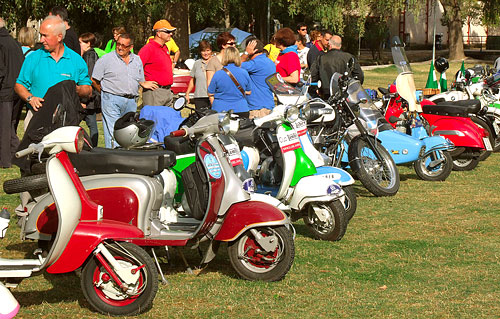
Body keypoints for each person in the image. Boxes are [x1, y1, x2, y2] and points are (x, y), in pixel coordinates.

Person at [15, 15, 92, 130]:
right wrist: (30, 98)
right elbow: (19, 85)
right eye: (41, 35)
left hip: (66, 121)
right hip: (36, 117)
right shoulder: (33, 58)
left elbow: (88, 89)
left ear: (59, 37)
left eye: (45, 36)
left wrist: (75, 89)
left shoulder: (76, 60)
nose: (41, 40)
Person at [92, 33, 156, 148]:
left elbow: (139, 79)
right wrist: (105, 92)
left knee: (128, 131)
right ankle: (113, 156)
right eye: (118, 44)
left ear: (131, 47)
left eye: (124, 46)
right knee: (113, 131)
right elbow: (94, 79)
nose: (120, 47)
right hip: (111, 99)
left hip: (131, 101)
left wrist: (143, 83)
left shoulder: (137, 60)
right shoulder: (106, 59)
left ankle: (126, 157)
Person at [0, 18, 24, 168]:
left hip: (5, 90)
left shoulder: (2, 43)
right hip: (15, 88)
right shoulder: (13, 42)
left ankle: (5, 160)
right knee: (9, 126)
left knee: (4, 127)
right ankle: (19, 153)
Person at [138, 19, 176, 107]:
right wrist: (142, 82)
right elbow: (135, 67)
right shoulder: (148, 48)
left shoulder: (165, 48)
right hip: (154, 92)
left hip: (167, 92)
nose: (171, 34)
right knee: (154, 119)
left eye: (171, 32)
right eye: (167, 31)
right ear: (158, 33)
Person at [207, 46, 251, 117]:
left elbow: (210, 92)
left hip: (220, 109)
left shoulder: (218, 74)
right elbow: (249, 92)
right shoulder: (244, 72)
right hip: (241, 108)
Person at [241, 38, 276, 118]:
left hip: (257, 109)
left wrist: (246, 53)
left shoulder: (256, 63)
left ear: (252, 50)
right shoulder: (269, 62)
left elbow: (236, 66)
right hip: (267, 105)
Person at [79, 32, 100, 146]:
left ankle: (92, 146)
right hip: (90, 96)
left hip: (88, 96)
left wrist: (84, 100)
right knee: (91, 124)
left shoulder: (89, 56)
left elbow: (88, 76)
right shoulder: (91, 54)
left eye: (81, 42)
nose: (79, 45)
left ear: (88, 43)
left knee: (91, 124)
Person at [185, 40, 212, 110]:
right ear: (200, 52)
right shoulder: (197, 63)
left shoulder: (216, 62)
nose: (206, 53)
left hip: (213, 96)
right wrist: (187, 93)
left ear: (211, 51)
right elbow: (192, 80)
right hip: (199, 97)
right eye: (203, 51)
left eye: (208, 50)